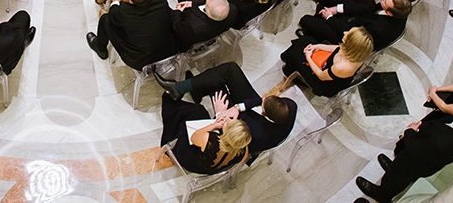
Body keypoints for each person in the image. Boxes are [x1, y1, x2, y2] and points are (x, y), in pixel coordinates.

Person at [355, 100, 453, 202]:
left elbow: (416, 149)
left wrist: (410, 131)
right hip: (426, 156)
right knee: (397, 169)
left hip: (414, 162)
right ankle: (392, 167)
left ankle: (382, 194)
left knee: (397, 178)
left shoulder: (444, 143)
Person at [157, 60, 296, 157]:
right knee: (231, 70)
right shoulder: (289, 106)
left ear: (266, 115)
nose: (263, 98)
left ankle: (197, 91)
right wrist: (238, 107)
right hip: (249, 112)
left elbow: (232, 138)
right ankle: (180, 88)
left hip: (243, 125)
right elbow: (262, 100)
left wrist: (221, 113)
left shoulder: (256, 134)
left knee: (218, 90)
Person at [86, 0, 177, 70]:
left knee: (105, 19)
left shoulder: (124, 11)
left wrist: (115, 2)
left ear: (130, 1)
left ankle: (101, 49)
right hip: (168, 53)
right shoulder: (159, 0)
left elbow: (113, 16)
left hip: (139, 62)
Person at [159, 91, 252, 174]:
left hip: (187, 158)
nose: (227, 120)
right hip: (208, 168)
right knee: (200, 113)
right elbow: (241, 161)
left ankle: (169, 100)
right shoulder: (243, 150)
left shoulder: (211, 142)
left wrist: (215, 122)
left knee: (195, 114)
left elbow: (193, 136)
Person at [281, 26, 373, 96]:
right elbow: (338, 48)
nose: (345, 32)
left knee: (296, 55)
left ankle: (289, 69)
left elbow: (321, 75)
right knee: (307, 40)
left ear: (351, 45)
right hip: (329, 67)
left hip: (323, 83)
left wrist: (308, 57)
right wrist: (317, 46)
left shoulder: (342, 67)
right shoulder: (357, 53)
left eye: (348, 35)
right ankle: (288, 59)